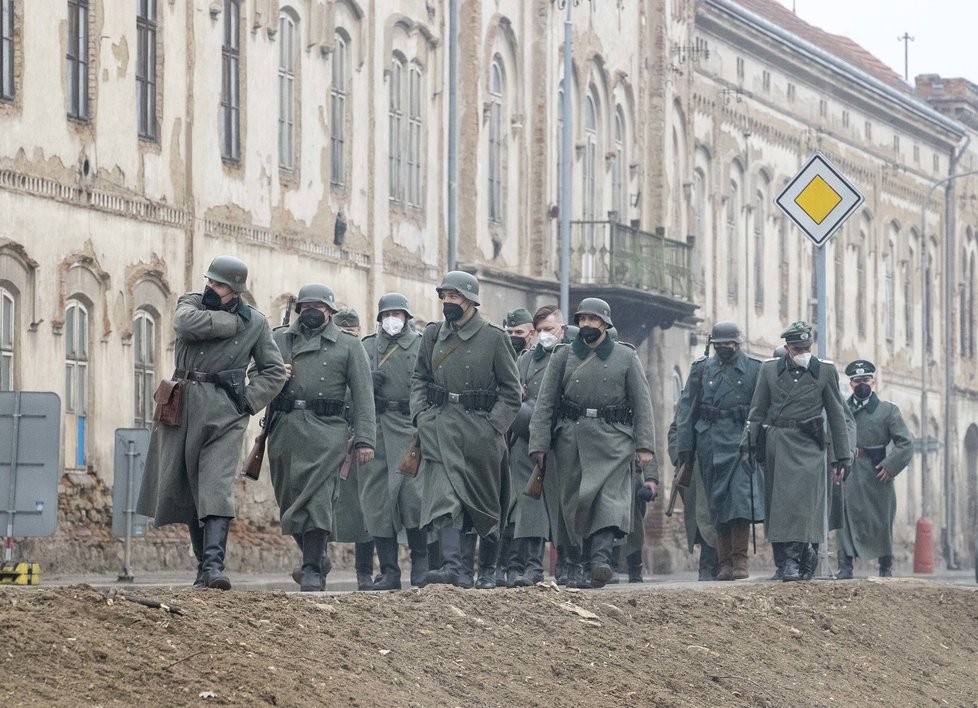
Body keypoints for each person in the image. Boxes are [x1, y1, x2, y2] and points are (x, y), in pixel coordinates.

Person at [137, 255, 287, 590]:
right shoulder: (190, 302)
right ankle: (203, 567)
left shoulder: (257, 324)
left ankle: (215, 566)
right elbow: (185, 324)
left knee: (216, 487)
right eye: (209, 281)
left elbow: (274, 371)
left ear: (234, 290)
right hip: (182, 405)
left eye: (217, 284)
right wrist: (230, 323)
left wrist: (247, 402)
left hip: (225, 413)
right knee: (190, 490)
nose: (209, 287)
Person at [528, 298, 657, 589]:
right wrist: (539, 443)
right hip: (571, 438)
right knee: (574, 503)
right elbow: (546, 403)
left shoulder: (626, 357)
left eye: (592, 319)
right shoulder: (563, 356)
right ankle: (576, 563)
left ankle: (600, 561)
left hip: (614, 440)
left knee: (608, 501)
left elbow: (643, 404)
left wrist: (645, 445)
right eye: (582, 319)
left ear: (605, 323)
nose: (586, 324)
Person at [410, 271, 521, 588]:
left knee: (486, 505)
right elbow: (420, 379)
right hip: (440, 427)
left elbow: (512, 393)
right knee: (444, 499)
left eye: (454, 296)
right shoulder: (432, 335)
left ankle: (486, 570)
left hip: (480, 433)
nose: (448, 302)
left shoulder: (494, 338)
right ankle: (453, 567)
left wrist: (492, 427)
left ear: (471, 300)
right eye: (444, 296)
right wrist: (421, 414)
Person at [264, 289, 375, 592]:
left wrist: (365, 439)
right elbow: (257, 379)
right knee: (290, 501)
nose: (312, 311)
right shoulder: (279, 339)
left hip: (327, 431)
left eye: (319, 306)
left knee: (318, 500)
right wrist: (276, 377)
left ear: (330, 311)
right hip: (284, 429)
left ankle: (312, 568)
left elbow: (365, 398)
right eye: (306, 306)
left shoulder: (350, 346)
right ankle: (317, 555)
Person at [744, 321, 851, 582]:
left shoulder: (824, 371)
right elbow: (756, 411)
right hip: (779, 445)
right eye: (797, 347)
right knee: (780, 506)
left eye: (806, 347)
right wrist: (746, 445)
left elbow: (837, 414)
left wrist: (843, 456)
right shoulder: (769, 370)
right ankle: (791, 560)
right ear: (787, 348)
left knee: (803, 506)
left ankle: (796, 558)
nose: (802, 351)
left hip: (811, 446)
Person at [675, 321, 763, 581]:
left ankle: (740, 560)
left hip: (741, 442)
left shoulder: (753, 370)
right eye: (719, 344)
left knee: (739, 502)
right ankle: (723, 562)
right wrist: (685, 450)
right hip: (709, 442)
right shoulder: (702, 369)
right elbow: (687, 410)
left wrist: (758, 443)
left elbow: (761, 408)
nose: (724, 348)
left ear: (738, 344)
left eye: (728, 344)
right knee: (717, 503)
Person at [359, 293, 428, 589]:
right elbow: (350, 390)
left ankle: (421, 567)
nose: (392, 320)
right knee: (377, 501)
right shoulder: (366, 347)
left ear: (407, 317)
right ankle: (388, 571)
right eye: (388, 314)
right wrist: (364, 387)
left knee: (414, 498)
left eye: (398, 314)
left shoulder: (422, 345)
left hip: (410, 426)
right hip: (375, 427)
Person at [835, 360, 913, 578]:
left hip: (877, 473)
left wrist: (891, 466)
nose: (862, 384)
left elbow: (906, 443)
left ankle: (885, 565)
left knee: (881, 519)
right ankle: (845, 565)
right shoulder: (841, 408)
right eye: (857, 380)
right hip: (849, 471)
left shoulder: (888, 410)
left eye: (866, 380)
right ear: (850, 383)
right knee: (845, 518)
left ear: (873, 381)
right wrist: (836, 464)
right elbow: (833, 437)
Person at [504, 306, 556, 587]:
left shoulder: (563, 358)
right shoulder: (524, 360)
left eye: (549, 329)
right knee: (519, 506)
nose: (544, 335)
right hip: (521, 439)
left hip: (550, 441)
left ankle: (538, 567)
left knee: (537, 508)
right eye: (540, 331)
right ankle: (517, 567)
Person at [329, 307, 377, 590]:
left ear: (359, 332)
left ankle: (364, 573)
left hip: (359, 440)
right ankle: (316, 563)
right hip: (331, 437)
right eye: (343, 331)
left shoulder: (368, 355)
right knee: (322, 504)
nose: (348, 336)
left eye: (352, 332)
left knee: (364, 512)